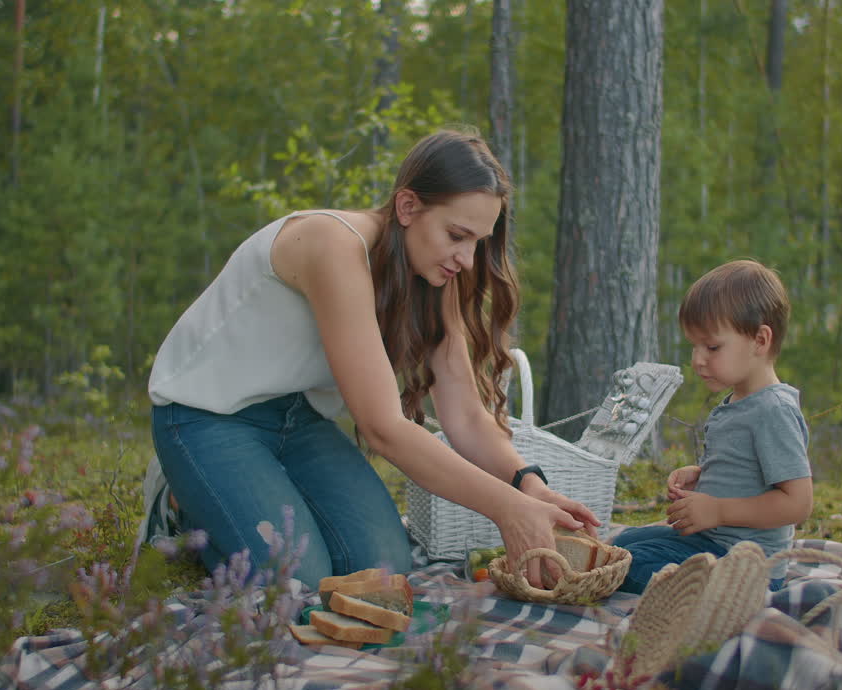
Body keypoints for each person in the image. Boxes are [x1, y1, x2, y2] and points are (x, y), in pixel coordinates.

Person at [145, 129, 599, 591]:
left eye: (478, 242)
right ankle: (184, 509)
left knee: (382, 571)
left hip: (297, 421)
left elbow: (464, 415)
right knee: (297, 586)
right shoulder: (332, 244)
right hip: (207, 419)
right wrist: (507, 510)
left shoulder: (436, 272)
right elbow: (384, 428)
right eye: (457, 235)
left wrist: (527, 485)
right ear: (407, 207)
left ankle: (245, 504)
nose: (467, 258)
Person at [613, 259, 813, 594]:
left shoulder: (772, 409)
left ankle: (720, 600)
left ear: (760, 340)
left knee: (629, 564)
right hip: (714, 543)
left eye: (712, 347)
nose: (697, 359)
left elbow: (797, 503)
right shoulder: (738, 402)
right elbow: (747, 473)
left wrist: (717, 509)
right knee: (624, 542)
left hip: (747, 566)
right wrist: (701, 476)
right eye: (695, 346)